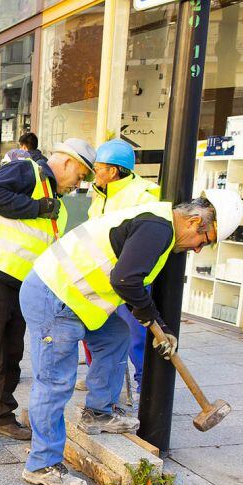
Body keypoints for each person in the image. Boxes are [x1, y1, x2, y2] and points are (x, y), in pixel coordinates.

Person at [18, 188, 243, 485]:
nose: (199, 249)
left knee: (115, 336)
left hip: (77, 298)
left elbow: (134, 284)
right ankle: (41, 464)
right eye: (205, 240)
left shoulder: (160, 227)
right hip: (54, 296)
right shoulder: (157, 228)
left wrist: (161, 327)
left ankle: (98, 411)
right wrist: (153, 321)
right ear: (194, 222)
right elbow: (125, 280)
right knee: (55, 382)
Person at [0, 139, 96, 456]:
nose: (79, 183)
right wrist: (36, 208)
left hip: (19, 283)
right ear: (67, 162)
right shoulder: (28, 171)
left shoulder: (57, 203)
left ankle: (1, 415)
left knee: (10, 353)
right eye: (80, 175)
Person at [80, 139, 163, 397]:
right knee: (93, 330)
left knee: (135, 335)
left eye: (99, 167)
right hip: (99, 276)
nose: (95, 171)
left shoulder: (144, 193)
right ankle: (100, 380)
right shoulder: (102, 193)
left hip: (129, 278)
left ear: (113, 170)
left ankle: (143, 387)